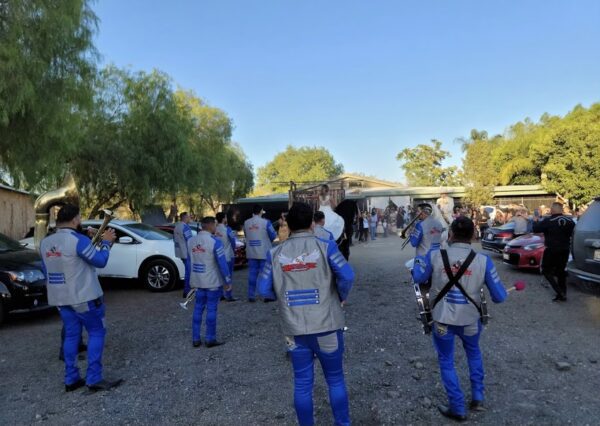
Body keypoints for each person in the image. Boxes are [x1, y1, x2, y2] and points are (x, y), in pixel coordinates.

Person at [258, 202, 355, 426]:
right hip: (327, 324)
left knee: (302, 383)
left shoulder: (274, 253)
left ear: (288, 225)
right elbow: (347, 276)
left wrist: (282, 297)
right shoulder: (327, 246)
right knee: (335, 379)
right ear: (312, 223)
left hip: (293, 329)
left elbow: (263, 290)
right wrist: (340, 296)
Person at [412, 217, 508, 421]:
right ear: (474, 236)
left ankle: (457, 407)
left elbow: (419, 278)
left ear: (450, 235)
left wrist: (418, 263)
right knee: (473, 353)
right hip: (471, 321)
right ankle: (478, 397)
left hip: (442, 320)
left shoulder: (434, 255)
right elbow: (499, 297)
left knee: (446, 361)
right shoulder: (484, 261)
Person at [40, 204, 122, 392]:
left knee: (71, 335)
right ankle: (94, 378)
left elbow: (46, 269)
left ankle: (71, 378)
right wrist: (107, 243)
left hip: (59, 298)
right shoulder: (78, 240)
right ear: (75, 219)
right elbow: (100, 261)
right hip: (84, 296)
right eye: (80, 218)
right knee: (96, 332)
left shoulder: (45, 243)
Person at [187, 216, 232, 347]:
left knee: (197, 308)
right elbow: (222, 263)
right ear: (211, 225)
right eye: (215, 225)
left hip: (197, 281)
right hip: (211, 282)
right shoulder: (214, 242)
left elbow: (189, 263)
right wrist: (227, 280)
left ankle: (195, 338)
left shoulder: (191, 241)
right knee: (211, 309)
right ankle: (210, 338)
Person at [532, 202, 575, 302]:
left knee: (546, 271)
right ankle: (563, 294)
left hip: (552, 249)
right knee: (561, 272)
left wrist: (535, 221)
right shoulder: (570, 221)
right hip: (564, 249)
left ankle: (559, 292)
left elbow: (536, 229)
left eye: (551, 209)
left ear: (553, 210)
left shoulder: (549, 220)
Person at [243, 204, 277, 302]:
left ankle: (251, 295)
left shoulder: (246, 223)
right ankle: (266, 295)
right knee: (265, 274)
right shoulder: (266, 222)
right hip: (264, 251)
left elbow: (246, 235)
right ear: (261, 211)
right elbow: (273, 235)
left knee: (252, 273)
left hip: (251, 251)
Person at [215, 212, 238, 302]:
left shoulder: (215, 229)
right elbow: (233, 242)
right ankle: (228, 295)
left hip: (217, 256)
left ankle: (220, 294)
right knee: (228, 276)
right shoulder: (227, 229)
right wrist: (232, 250)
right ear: (224, 219)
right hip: (228, 255)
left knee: (219, 275)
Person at [174, 212, 193, 297]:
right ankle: (187, 291)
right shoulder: (185, 227)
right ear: (185, 217)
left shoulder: (177, 226)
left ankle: (188, 290)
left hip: (180, 252)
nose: (190, 218)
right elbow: (190, 241)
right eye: (189, 217)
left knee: (187, 271)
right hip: (186, 252)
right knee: (188, 272)